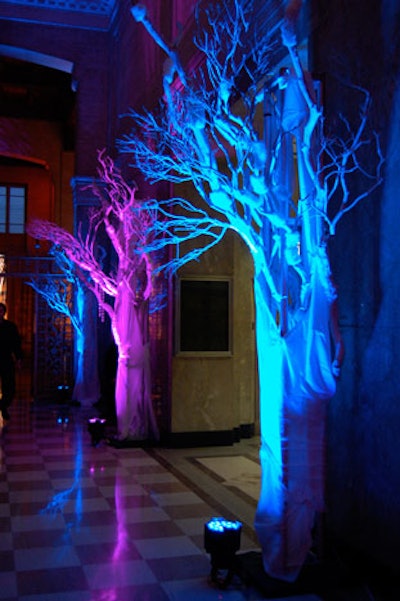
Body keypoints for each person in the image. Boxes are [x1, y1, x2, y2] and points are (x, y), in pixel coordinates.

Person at [0, 302, 22, 420]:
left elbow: (16, 344)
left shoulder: (10, 327)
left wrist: (18, 358)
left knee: (10, 387)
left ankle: (3, 405)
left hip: (6, 359)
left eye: (1, 311)